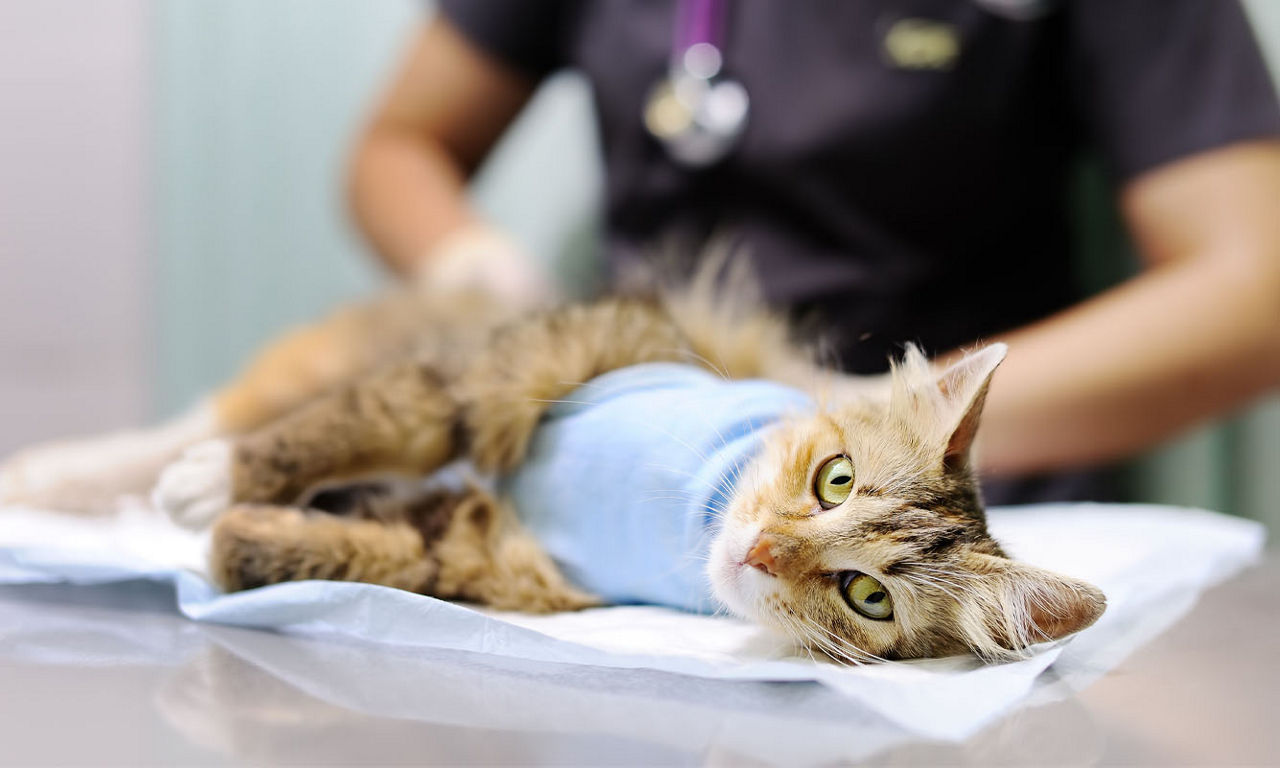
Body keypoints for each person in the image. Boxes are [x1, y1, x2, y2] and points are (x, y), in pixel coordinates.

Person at [345, 0, 1280, 504]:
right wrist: (486, 278)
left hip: (955, 497)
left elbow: (1256, 287)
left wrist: (883, 421)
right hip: (649, 455)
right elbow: (399, 147)